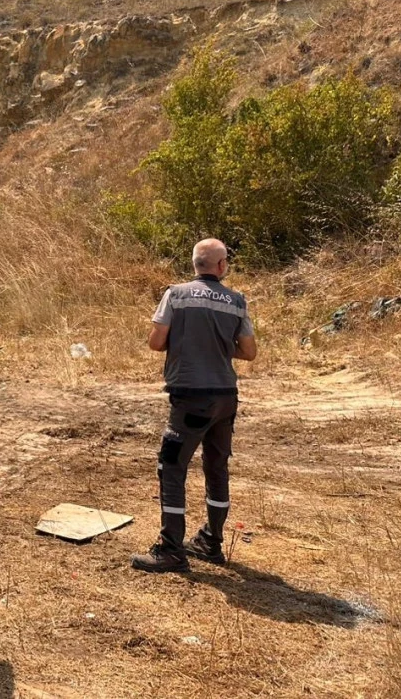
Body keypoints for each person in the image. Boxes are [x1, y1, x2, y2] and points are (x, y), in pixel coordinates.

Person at [132, 238, 258, 573]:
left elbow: (156, 342)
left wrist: (189, 343)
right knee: (216, 468)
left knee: (171, 467)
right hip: (225, 398)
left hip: (190, 398)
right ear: (220, 266)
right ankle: (211, 543)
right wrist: (217, 346)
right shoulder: (236, 301)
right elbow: (248, 352)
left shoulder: (176, 294)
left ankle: (171, 550)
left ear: (195, 265)